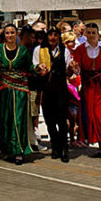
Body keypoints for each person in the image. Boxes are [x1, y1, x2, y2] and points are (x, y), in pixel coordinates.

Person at [0, 24, 34, 165]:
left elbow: (30, 67)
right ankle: (8, 149)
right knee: (5, 119)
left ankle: (19, 151)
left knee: (19, 119)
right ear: (4, 35)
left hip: (20, 89)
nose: (10, 35)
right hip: (4, 89)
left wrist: (39, 68)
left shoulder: (23, 51)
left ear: (16, 34)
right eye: (7, 33)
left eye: (12, 32)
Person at [71, 23, 101, 160]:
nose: (91, 35)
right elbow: (77, 68)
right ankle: (97, 145)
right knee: (91, 116)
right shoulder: (80, 49)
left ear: (98, 34)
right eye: (88, 33)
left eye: (93, 33)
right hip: (88, 87)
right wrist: (74, 69)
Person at [35, 28, 72, 162]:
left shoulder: (64, 50)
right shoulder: (39, 50)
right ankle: (55, 146)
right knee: (49, 120)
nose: (53, 37)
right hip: (46, 88)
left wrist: (72, 68)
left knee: (62, 120)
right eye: (50, 35)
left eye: (56, 35)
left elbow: (69, 68)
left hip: (60, 89)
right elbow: (34, 66)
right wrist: (40, 69)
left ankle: (64, 148)